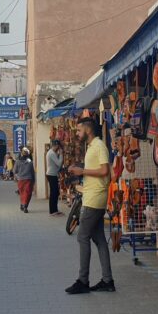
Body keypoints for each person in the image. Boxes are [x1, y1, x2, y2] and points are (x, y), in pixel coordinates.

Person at [66, 117, 114, 294]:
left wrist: (82, 171)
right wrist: (79, 169)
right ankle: (107, 280)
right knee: (99, 239)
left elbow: (104, 170)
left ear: (87, 129)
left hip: (94, 198)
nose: (77, 134)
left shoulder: (99, 145)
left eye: (79, 130)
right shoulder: (92, 147)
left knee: (82, 237)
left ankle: (83, 281)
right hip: (93, 196)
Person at [45, 140, 64, 217]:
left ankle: (55, 210)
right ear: (56, 145)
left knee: (56, 193)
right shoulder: (51, 153)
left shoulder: (52, 152)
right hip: (51, 175)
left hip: (52, 174)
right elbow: (59, 163)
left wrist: (59, 155)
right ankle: (52, 211)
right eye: (58, 146)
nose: (59, 148)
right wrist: (61, 154)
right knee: (54, 193)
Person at [14, 148, 35, 213]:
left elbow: (15, 171)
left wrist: (16, 177)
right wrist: (34, 180)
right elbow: (32, 171)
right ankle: (25, 205)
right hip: (28, 179)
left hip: (20, 179)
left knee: (22, 193)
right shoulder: (30, 162)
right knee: (28, 193)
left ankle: (22, 204)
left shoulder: (17, 161)